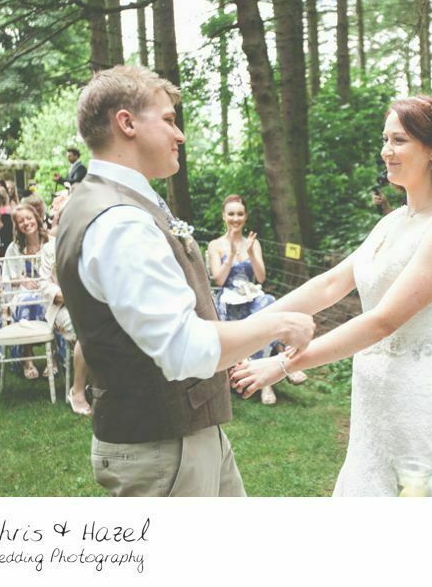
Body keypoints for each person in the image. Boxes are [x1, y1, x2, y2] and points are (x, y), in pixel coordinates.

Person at [55, 65, 316, 497]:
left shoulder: (118, 200)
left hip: (188, 431)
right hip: (162, 446)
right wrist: (276, 324)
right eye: (170, 120)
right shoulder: (121, 222)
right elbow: (183, 349)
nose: (181, 136)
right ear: (127, 123)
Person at [232, 95, 432, 497]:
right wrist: (242, 331)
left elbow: (383, 321)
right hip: (374, 401)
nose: (386, 151)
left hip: (421, 400)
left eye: (399, 140)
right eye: (385, 139)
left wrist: (284, 366)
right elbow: (329, 285)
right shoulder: (392, 222)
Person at [207, 194, 305, 405]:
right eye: (231, 214)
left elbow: (260, 277)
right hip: (229, 301)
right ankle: (269, 381)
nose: (236, 218)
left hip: (251, 296)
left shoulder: (253, 242)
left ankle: (286, 365)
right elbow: (219, 278)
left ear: (245, 216)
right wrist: (232, 255)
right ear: (224, 216)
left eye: (240, 214)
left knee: (268, 303)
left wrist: (250, 252)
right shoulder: (215, 245)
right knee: (258, 316)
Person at [3, 202, 70, 383]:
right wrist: (22, 280)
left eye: (29, 218)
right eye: (21, 221)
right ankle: (28, 358)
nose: (26, 223)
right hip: (25, 292)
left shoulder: (52, 243)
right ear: (17, 226)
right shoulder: (14, 248)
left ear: (36, 219)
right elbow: (8, 276)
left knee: (48, 303)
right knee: (27, 301)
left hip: (49, 291)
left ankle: (52, 357)